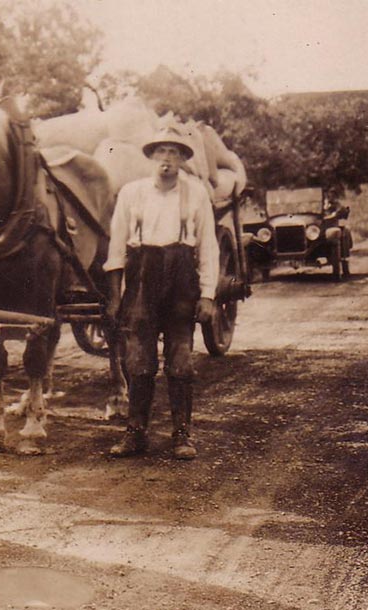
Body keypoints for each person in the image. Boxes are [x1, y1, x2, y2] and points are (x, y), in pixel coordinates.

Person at [104, 125, 219, 460]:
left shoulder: (195, 193)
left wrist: (208, 295)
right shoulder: (131, 193)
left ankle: (182, 435)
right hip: (141, 281)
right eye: (160, 152)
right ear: (150, 157)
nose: (167, 160)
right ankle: (136, 434)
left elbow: (208, 247)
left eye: (174, 153)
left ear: (183, 160)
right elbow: (116, 249)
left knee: (180, 360)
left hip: (181, 282)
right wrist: (115, 297)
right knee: (138, 361)